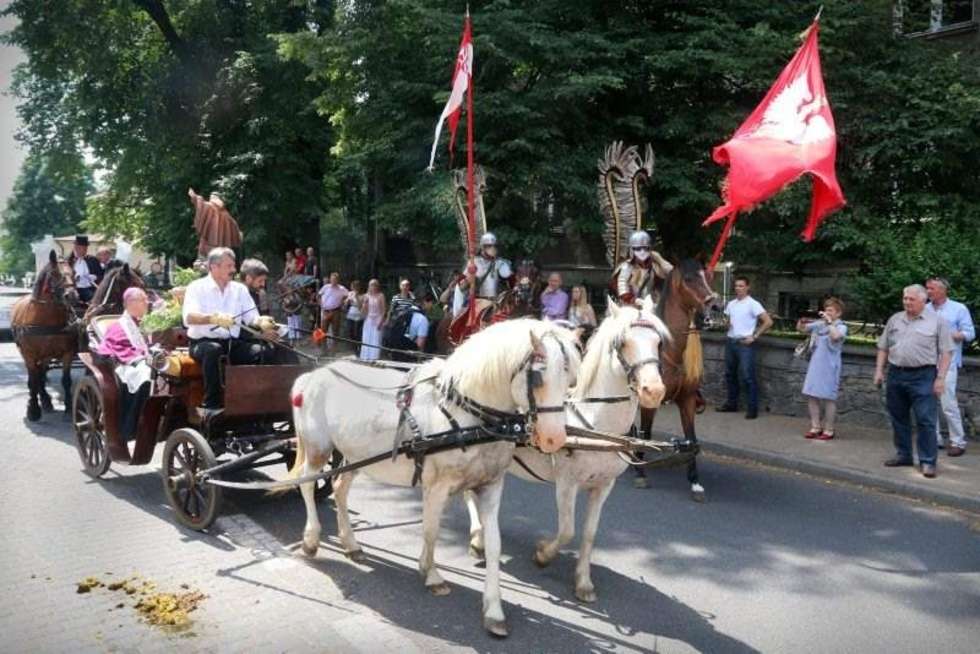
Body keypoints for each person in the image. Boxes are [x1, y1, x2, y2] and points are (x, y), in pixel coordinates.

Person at [182, 247, 279, 418]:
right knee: (213, 350)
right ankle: (211, 406)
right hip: (202, 344)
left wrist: (261, 322)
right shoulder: (196, 287)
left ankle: (250, 401)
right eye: (229, 266)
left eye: (233, 265)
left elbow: (251, 317)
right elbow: (188, 317)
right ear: (213, 267)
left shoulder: (239, 289)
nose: (233, 270)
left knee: (264, 352)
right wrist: (213, 318)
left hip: (231, 343)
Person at [874, 284, 954, 479]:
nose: (907, 302)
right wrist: (879, 371)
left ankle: (927, 462)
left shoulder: (938, 322)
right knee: (898, 417)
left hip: (924, 376)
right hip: (896, 374)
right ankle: (904, 455)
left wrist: (940, 378)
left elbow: (947, 352)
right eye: (905, 298)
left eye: (911, 299)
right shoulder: (895, 319)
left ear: (923, 300)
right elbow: (883, 347)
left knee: (925, 420)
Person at [925, 277, 975, 457]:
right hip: (926, 361)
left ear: (942, 290)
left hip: (949, 362)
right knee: (928, 402)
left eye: (931, 289)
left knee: (948, 403)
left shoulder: (958, 308)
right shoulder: (925, 308)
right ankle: (934, 438)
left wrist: (951, 335)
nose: (928, 292)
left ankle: (958, 442)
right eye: (927, 288)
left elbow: (970, 333)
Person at [95, 287, 153, 440]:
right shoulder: (118, 326)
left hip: (147, 361)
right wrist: (142, 357)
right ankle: (131, 426)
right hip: (127, 365)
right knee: (146, 378)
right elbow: (120, 348)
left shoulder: (145, 323)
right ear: (131, 303)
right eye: (143, 300)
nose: (147, 303)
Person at [718, 276, 773, 419]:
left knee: (748, 376)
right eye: (736, 286)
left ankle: (752, 408)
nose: (738, 288)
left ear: (748, 287)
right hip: (731, 341)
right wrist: (725, 324)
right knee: (730, 374)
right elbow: (728, 322)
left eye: (741, 286)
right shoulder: (731, 304)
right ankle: (732, 403)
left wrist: (754, 336)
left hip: (745, 343)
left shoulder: (753, 304)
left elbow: (768, 321)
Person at [797, 298, 848, 440]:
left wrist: (830, 322)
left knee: (828, 398)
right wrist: (802, 320)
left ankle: (829, 430)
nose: (827, 312)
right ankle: (815, 427)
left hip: (830, 367)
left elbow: (836, 336)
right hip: (815, 365)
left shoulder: (841, 326)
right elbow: (801, 329)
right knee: (812, 395)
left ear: (838, 313)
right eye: (826, 309)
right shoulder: (820, 325)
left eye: (830, 310)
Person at [455, 233, 513, 317]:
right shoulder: (474, 262)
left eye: (495, 246)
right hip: (479, 303)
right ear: (483, 247)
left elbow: (510, 281)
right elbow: (461, 286)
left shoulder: (501, 263)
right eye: (489, 246)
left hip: (498, 303)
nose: (493, 249)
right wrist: (469, 278)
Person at [612, 230, 673, 307]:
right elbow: (622, 288)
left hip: (650, 306)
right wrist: (635, 301)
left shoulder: (654, 266)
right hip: (627, 307)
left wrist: (660, 259)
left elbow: (672, 275)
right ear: (632, 250)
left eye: (646, 248)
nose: (642, 252)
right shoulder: (626, 267)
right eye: (638, 249)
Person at [67, 235, 102, 304]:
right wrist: (74, 279)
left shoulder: (92, 260)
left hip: (88, 288)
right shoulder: (69, 261)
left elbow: (100, 275)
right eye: (80, 248)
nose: (83, 251)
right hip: (73, 288)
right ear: (75, 248)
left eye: (85, 249)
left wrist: (93, 277)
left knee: (96, 299)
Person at [318, 272, 348, 350]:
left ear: (338, 280)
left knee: (335, 330)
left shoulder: (342, 289)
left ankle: (334, 348)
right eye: (332, 279)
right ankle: (324, 348)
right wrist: (321, 306)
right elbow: (319, 295)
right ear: (330, 279)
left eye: (335, 279)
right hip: (325, 311)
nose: (333, 281)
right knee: (323, 330)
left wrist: (344, 301)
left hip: (336, 311)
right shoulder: (326, 287)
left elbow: (348, 295)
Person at [360, 279, 386, 361]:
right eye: (371, 285)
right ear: (369, 286)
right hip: (368, 319)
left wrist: (381, 322)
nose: (373, 287)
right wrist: (364, 304)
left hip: (378, 319)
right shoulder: (366, 296)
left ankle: (374, 357)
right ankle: (365, 357)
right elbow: (362, 311)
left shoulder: (381, 295)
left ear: (377, 286)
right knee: (367, 338)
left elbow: (384, 310)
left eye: (375, 285)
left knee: (376, 338)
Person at [345, 280, 365, 355]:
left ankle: (358, 348)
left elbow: (360, 307)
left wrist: (356, 297)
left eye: (356, 287)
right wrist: (347, 301)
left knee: (358, 333)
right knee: (350, 332)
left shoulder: (363, 295)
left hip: (359, 316)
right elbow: (345, 304)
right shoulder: (350, 293)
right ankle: (354, 347)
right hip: (351, 315)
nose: (355, 288)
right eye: (353, 287)